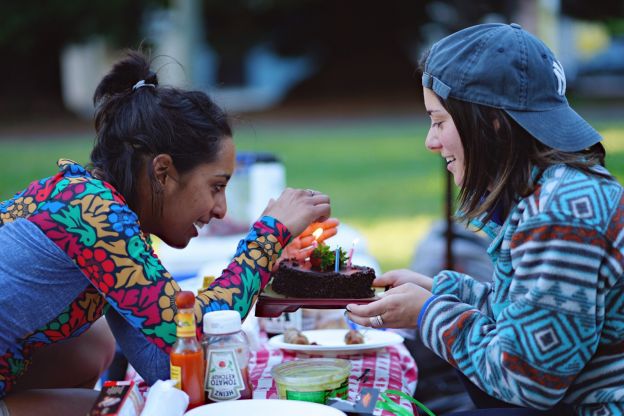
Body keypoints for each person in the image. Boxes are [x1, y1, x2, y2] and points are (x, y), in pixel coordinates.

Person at [0, 51, 336, 416]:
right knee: (122, 410)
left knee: (96, 347)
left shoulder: (102, 212)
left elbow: (165, 363)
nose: (221, 209)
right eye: (216, 186)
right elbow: (184, 332)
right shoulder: (92, 213)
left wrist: (271, 257)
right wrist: (269, 236)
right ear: (163, 172)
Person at [346, 23, 624, 416]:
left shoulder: (562, 212)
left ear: (491, 121)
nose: (431, 141)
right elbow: (533, 320)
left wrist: (428, 313)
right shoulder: (550, 192)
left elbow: (527, 379)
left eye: (439, 121)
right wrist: (440, 290)